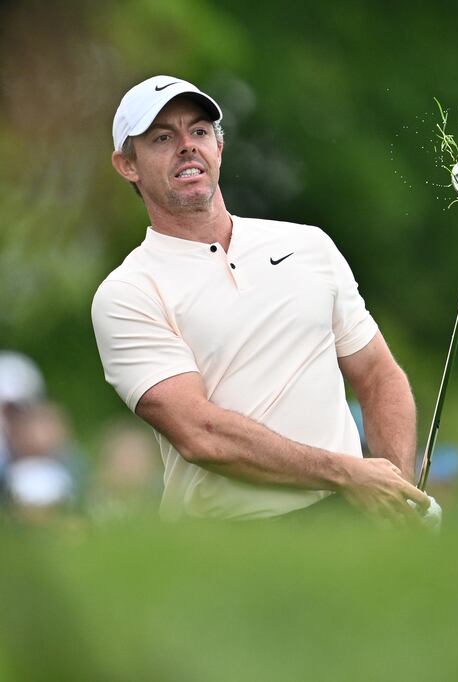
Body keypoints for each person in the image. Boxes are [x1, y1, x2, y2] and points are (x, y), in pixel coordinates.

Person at [92, 75, 433, 523]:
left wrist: (397, 497)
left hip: (346, 520)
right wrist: (347, 473)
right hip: (226, 540)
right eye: (161, 138)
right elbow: (201, 435)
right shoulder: (128, 292)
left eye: (199, 132)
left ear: (218, 147)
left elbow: (378, 376)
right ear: (127, 165)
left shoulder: (310, 245)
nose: (187, 146)